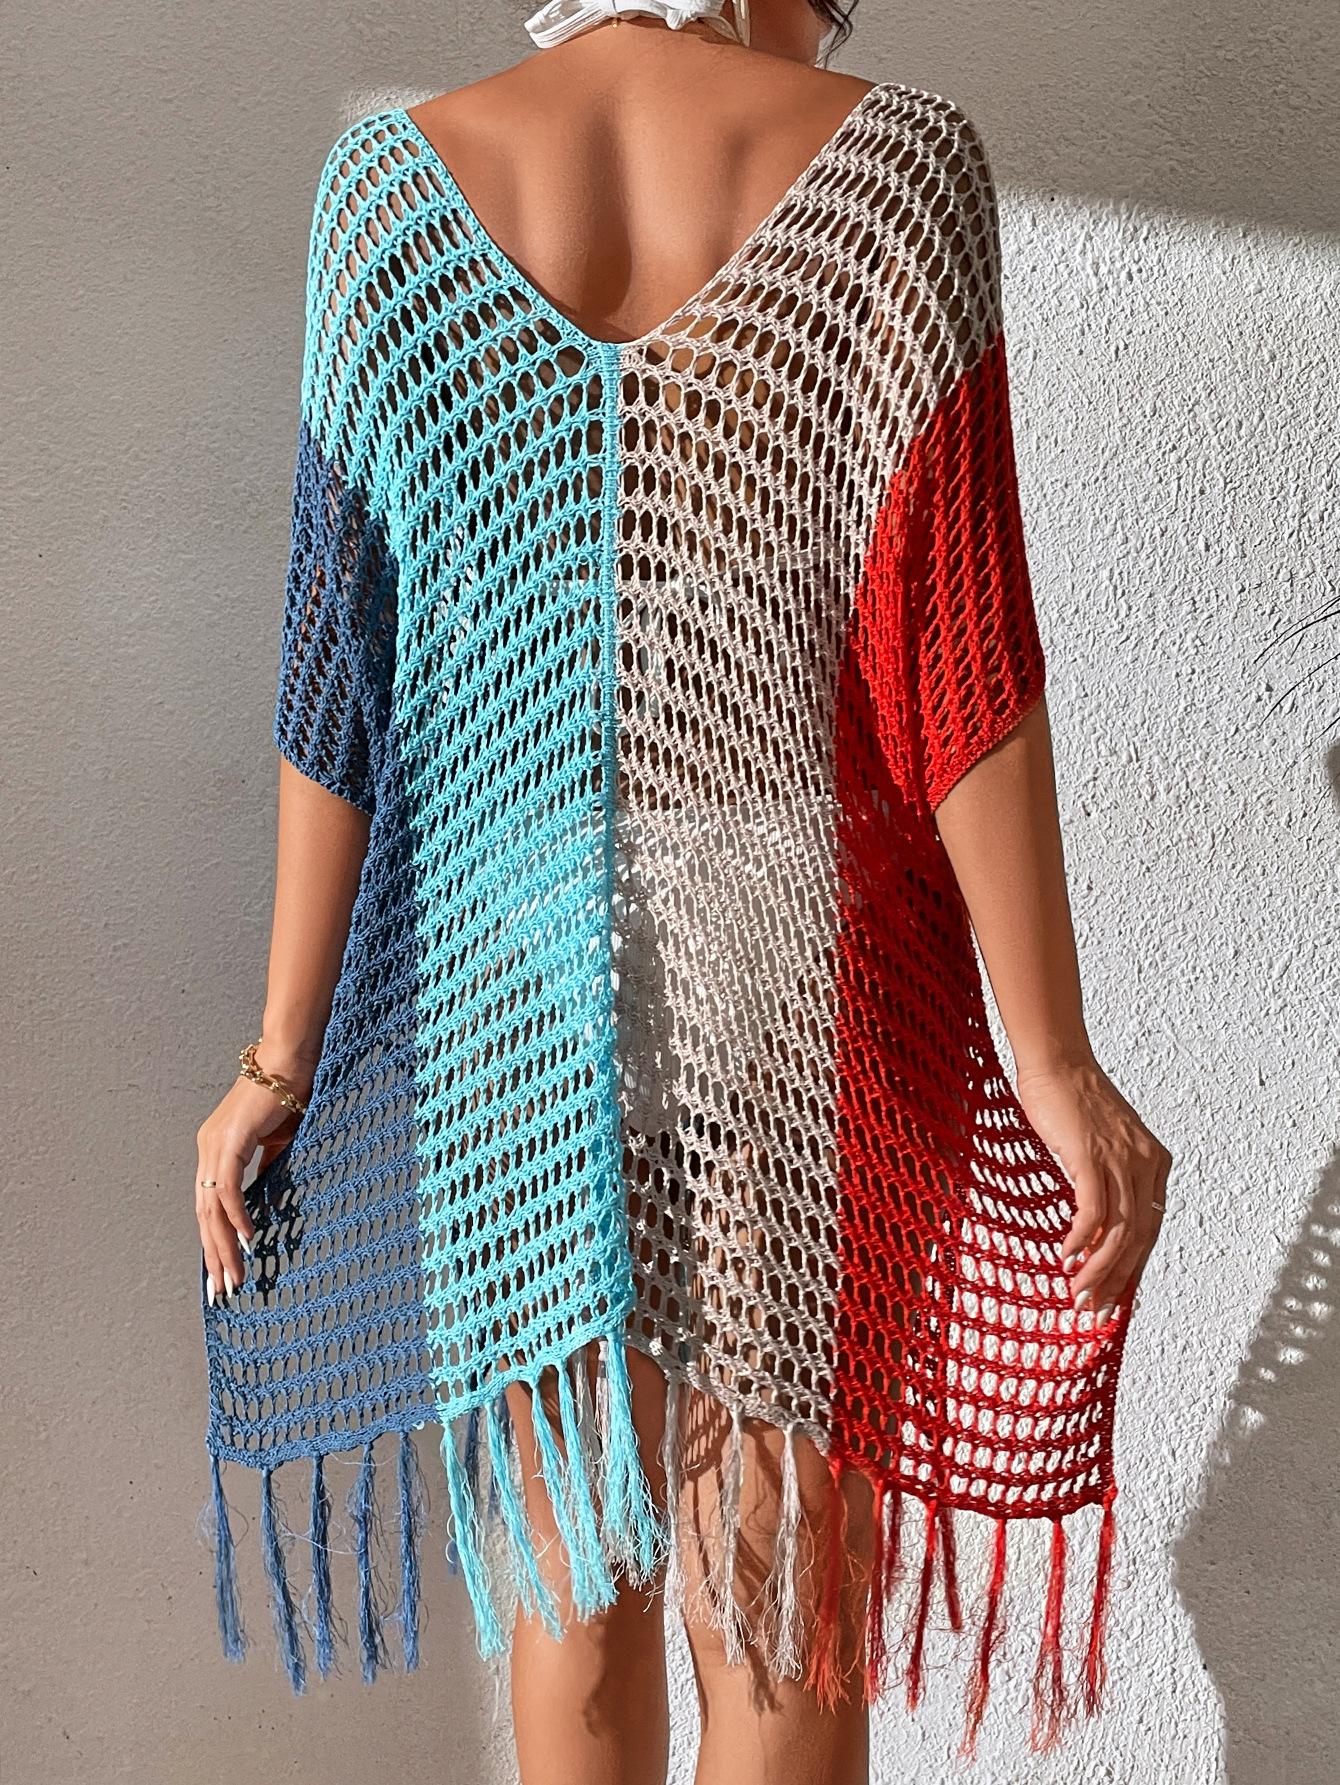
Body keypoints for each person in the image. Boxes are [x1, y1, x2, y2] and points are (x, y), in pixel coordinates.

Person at [194, 5, 1171, 1781]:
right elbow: (957, 657)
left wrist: (278, 1056)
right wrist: (1051, 1054)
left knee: (570, 1614)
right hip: (784, 966)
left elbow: (340, 671)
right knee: (778, 1613)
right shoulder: (894, 166)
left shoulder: (391, 190)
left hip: (505, 985)